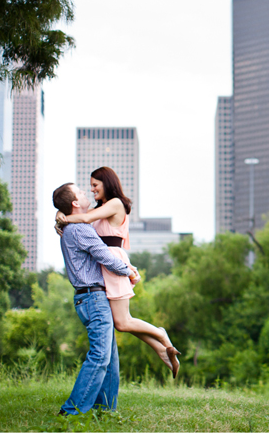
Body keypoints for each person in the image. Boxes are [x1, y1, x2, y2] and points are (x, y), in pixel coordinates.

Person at [56, 167, 181, 378]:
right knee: (118, 321)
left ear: (107, 183)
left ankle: (160, 334)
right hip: (103, 263)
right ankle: (161, 348)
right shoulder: (99, 208)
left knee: (122, 321)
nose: (92, 189)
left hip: (111, 260)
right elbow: (77, 215)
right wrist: (60, 214)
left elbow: (83, 219)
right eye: (90, 186)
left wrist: (63, 218)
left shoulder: (115, 203)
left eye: (95, 185)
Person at [52, 182, 139, 416]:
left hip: (90, 298)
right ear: (75, 203)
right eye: (81, 191)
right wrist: (129, 271)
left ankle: (106, 410)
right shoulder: (80, 229)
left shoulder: (75, 226)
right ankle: (71, 412)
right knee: (100, 356)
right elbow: (103, 256)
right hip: (93, 298)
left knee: (109, 358)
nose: (85, 192)